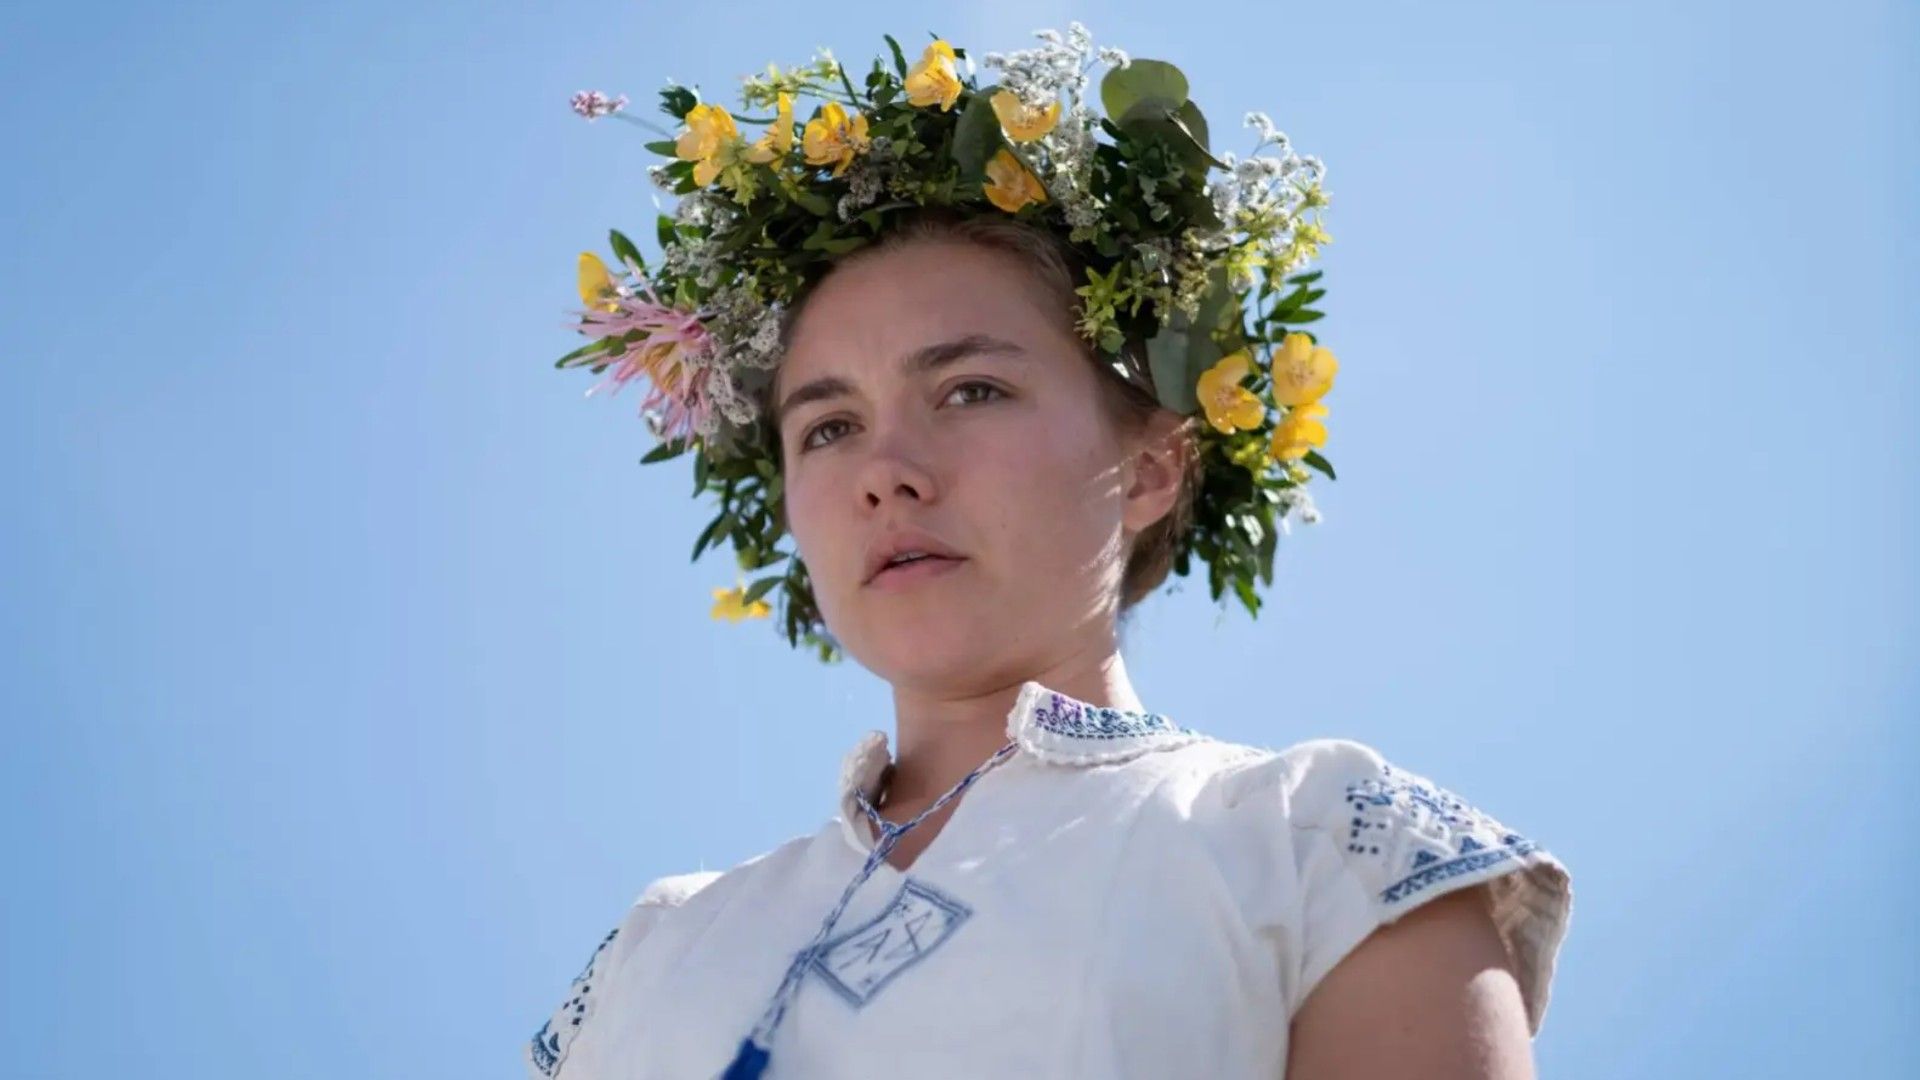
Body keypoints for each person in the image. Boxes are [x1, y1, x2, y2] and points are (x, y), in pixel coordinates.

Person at [535, 25, 1572, 1079]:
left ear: (1151, 467)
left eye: (970, 391)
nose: (884, 472)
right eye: (829, 426)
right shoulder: (656, 950)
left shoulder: (1325, 854)